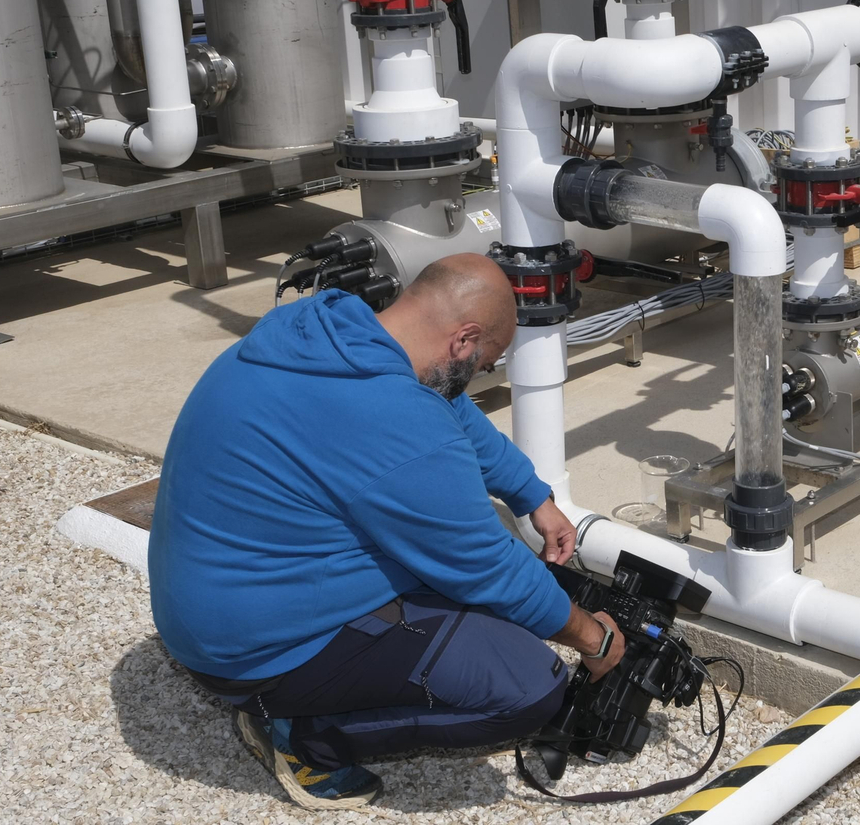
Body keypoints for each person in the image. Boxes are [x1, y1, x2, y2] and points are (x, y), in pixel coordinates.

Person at [148, 253, 624, 810]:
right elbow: (487, 565)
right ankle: (301, 735)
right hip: (254, 654)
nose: (478, 374)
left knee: (475, 599)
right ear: (465, 339)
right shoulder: (393, 418)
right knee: (528, 687)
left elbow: (449, 404)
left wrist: (531, 494)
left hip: (218, 605)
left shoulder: (330, 333)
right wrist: (593, 638)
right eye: (484, 362)